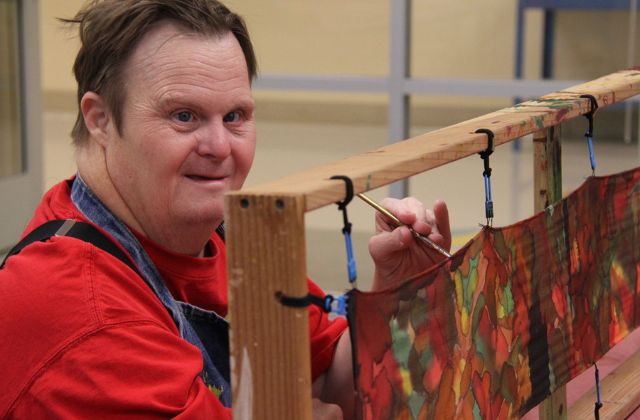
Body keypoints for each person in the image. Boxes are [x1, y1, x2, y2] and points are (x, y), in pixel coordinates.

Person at [0, 1, 451, 418]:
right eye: (184, 116)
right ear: (100, 119)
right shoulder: (82, 314)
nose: (219, 147)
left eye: (235, 116)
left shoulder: (222, 238)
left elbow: (333, 376)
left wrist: (398, 293)